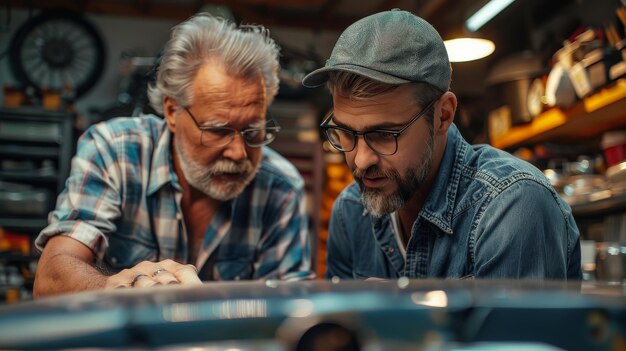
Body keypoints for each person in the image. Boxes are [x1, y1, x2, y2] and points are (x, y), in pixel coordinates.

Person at [34, 13, 312, 297]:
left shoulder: (281, 188)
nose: (239, 152)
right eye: (217, 131)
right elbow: (51, 279)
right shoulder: (115, 150)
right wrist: (116, 288)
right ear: (172, 112)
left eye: (253, 132)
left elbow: (288, 310)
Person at [302, 9, 581, 280]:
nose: (361, 161)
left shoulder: (512, 206)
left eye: (385, 134)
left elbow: (512, 330)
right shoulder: (351, 212)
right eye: (346, 133)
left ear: (443, 115)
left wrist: (400, 316)